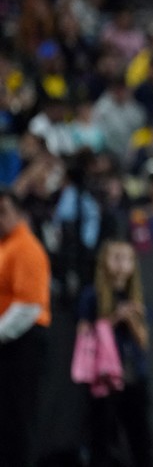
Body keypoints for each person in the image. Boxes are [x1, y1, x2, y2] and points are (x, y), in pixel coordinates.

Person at [76, 239, 153, 467]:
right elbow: (84, 335)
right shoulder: (92, 296)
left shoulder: (137, 298)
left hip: (133, 378)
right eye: (117, 258)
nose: (122, 265)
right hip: (104, 380)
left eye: (128, 259)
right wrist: (114, 318)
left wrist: (131, 319)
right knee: (101, 439)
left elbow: (144, 342)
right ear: (104, 262)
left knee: (140, 438)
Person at [0, 186, 51, 467]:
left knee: (18, 420)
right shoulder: (6, 246)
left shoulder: (25, 247)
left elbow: (28, 308)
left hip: (23, 345)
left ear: (19, 214)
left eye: (3, 212)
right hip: (9, 345)